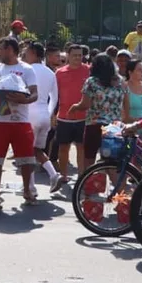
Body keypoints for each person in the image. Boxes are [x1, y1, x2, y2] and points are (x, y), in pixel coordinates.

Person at [0, 37, 39, 209]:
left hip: (20, 121)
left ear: (11, 50)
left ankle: (27, 191)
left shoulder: (26, 69)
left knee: (26, 159)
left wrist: (23, 100)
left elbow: (35, 94)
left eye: (1, 48)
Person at [69, 54, 128, 166]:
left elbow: (85, 104)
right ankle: (119, 183)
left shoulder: (92, 81)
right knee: (112, 162)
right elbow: (126, 103)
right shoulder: (121, 81)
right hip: (114, 127)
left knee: (89, 159)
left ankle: (87, 182)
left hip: (94, 125)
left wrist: (75, 107)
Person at [23, 41, 63, 195]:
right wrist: (48, 111)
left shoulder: (26, 70)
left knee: (27, 153)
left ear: (33, 52)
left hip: (29, 114)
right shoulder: (50, 73)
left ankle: (31, 187)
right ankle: (53, 175)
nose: (25, 54)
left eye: (27, 51)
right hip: (44, 115)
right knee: (37, 150)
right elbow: (55, 97)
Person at [53, 45, 90, 182]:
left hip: (84, 117)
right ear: (68, 56)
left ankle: (81, 176)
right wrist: (53, 114)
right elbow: (54, 96)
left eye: (80, 55)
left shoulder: (88, 71)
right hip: (64, 117)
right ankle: (63, 175)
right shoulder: (59, 73)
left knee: (81, 148)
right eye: (74, 55)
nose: (77, 58)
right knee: (63, 148)